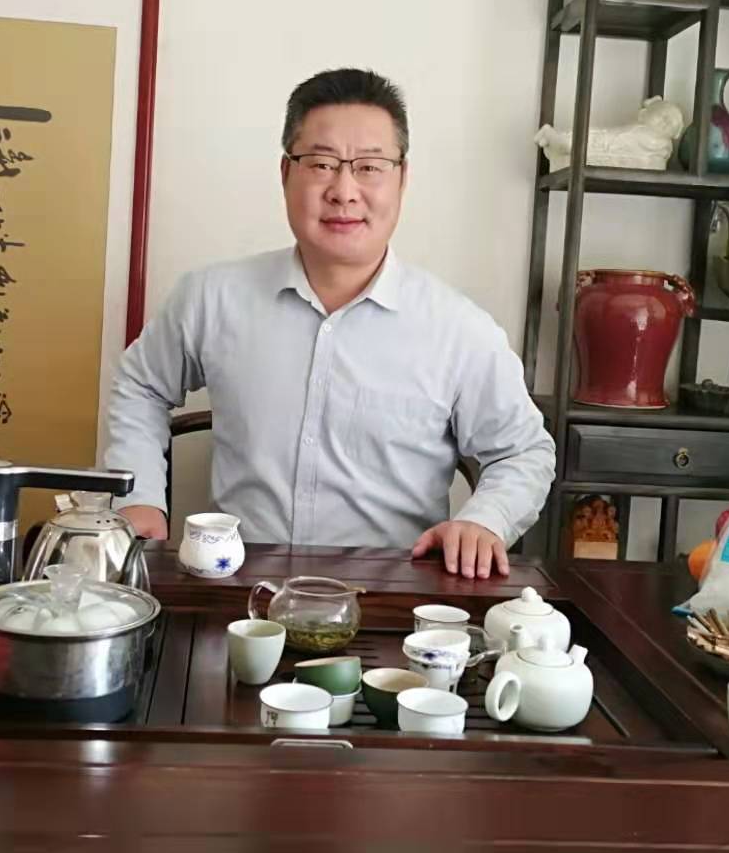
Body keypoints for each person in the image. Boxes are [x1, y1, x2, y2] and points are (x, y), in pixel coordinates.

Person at [101, 68, 554, 578]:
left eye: (369, 167)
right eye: (321, 164)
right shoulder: (211, 297)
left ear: (402, 178)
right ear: (285, 173)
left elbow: (523, 452)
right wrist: (138, 496)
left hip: (391, 596)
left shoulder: (458, 330)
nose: (344, 190)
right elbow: (140, 385)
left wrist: (484, 520)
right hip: (239, 588)